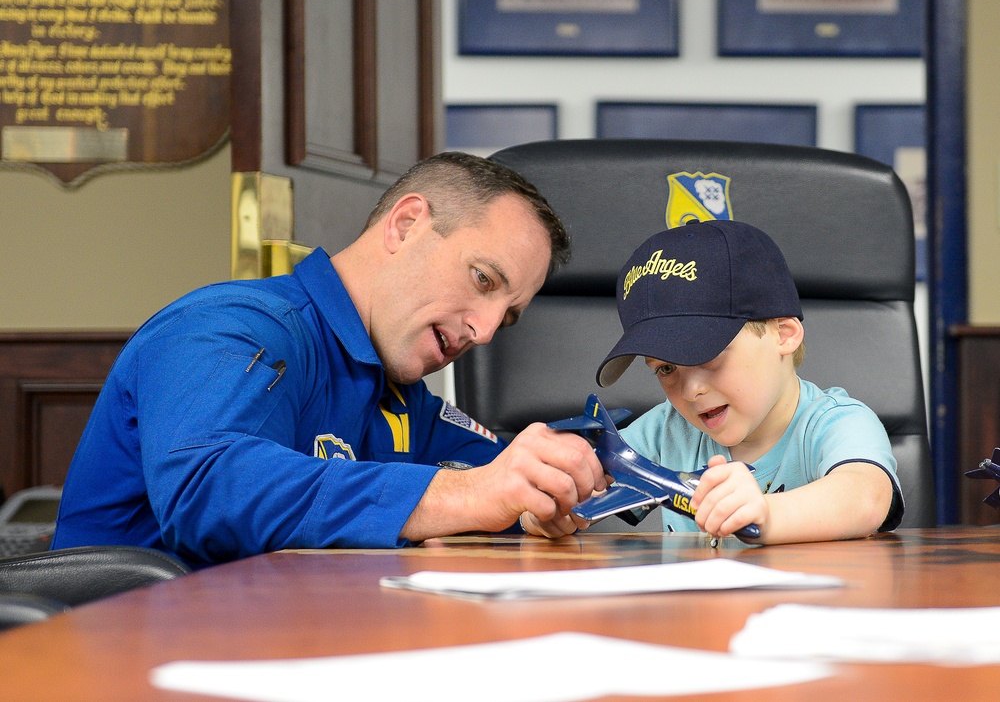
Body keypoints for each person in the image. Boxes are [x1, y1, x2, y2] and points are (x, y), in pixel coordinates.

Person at [52, 152, 605, 567]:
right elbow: (208, 486)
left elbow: (497, 473)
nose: (483, 331)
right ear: (406, 225)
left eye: (505, 318)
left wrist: (538, 497)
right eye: (483, 279)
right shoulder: (229, 326)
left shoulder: (397, 390)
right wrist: (464, 495)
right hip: (134, 660)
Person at [588, 219, 903, 544]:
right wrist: (545, 508)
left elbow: (866, 498)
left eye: (708, 355)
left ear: (783, 333)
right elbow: (582, 482)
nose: (690, 390)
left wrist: (766, 514)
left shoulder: (835, 423)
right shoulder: (666, 430)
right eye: (666, 369)